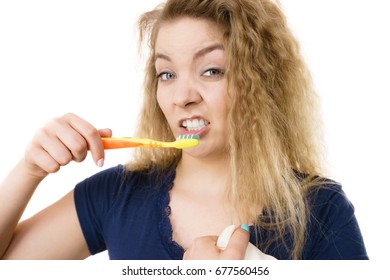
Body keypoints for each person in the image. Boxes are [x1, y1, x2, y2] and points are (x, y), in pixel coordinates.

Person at [0, 0, 368, 260]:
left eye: (211, 70)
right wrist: (28, 171)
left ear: (262, 82)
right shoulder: (116, 195)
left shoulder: (322, 210)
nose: (181, 97)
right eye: (167, 74)